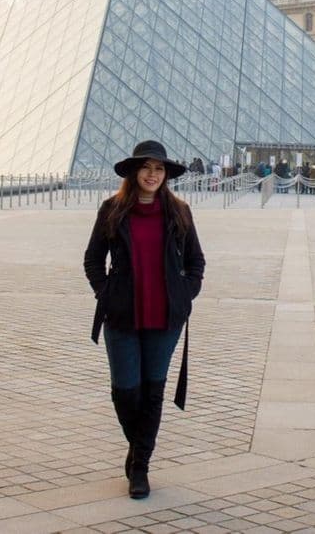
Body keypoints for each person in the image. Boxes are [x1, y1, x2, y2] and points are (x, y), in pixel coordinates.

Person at [83, 140, 206, 500]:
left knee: (152, 392)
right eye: (146, 167)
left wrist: (185, 294)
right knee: (125, 392)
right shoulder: (112, 210)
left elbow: (196, 262)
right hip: (122, 315)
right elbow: (93, 260)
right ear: (134, 172)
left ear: (166, 175)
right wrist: (105, 293)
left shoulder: (180, 212)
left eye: (159, 169)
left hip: (165, 317)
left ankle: (140, 467)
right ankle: (139, 447)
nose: (152, 175)